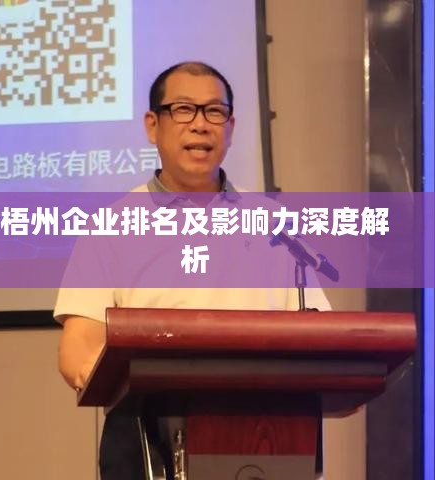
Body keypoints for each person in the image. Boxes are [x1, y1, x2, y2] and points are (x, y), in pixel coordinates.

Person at [54, 61, 330, 479]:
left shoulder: (275, 224)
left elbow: (322, 337)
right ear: (153, 126)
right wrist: (130, 381)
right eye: (183, 109)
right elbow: (79, 347)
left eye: (215, 112)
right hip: (147, 434)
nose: (200, 125)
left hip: (267, 434)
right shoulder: (112, 225)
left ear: (231, 128)